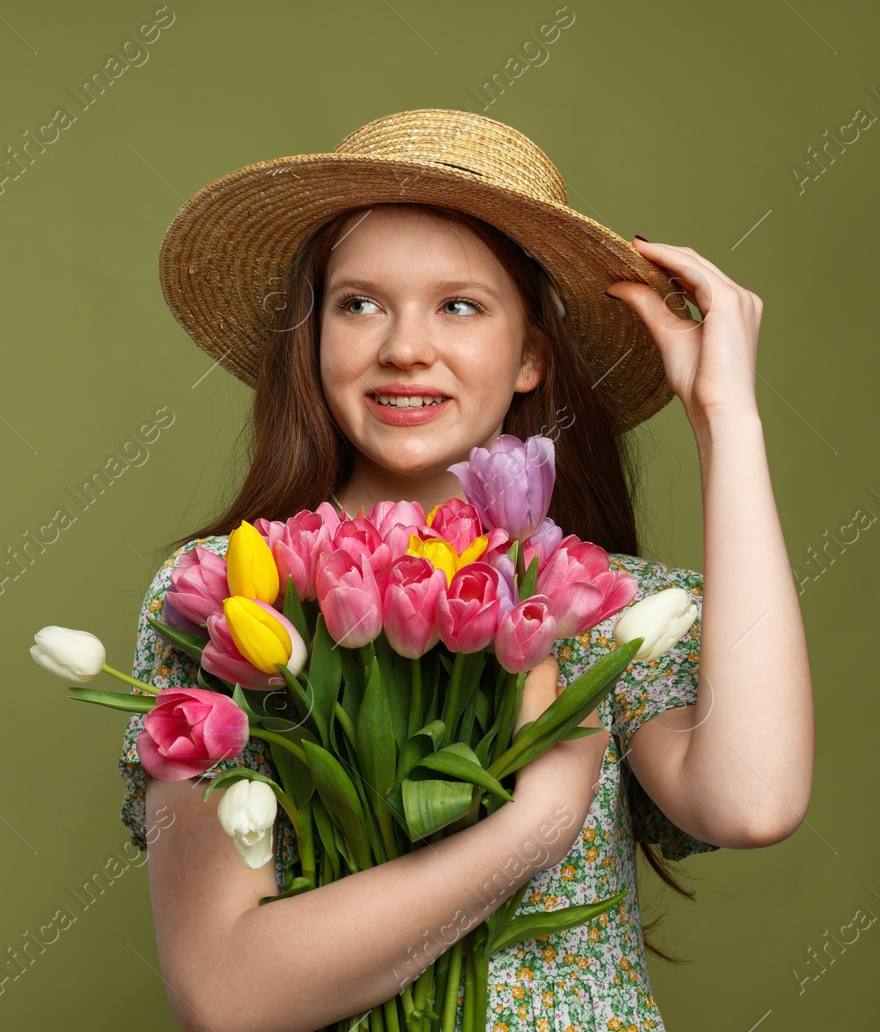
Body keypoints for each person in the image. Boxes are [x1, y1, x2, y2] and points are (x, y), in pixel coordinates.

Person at [114, 109, 814, 1031]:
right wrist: (530, 829)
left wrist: (727, 417)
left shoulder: (600, 604)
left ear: (530, 355)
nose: (404, 346)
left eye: (460, 304)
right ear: (314, 338)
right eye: (359, 303)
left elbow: (754, 800)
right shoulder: (230, 596)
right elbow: (226, 993)